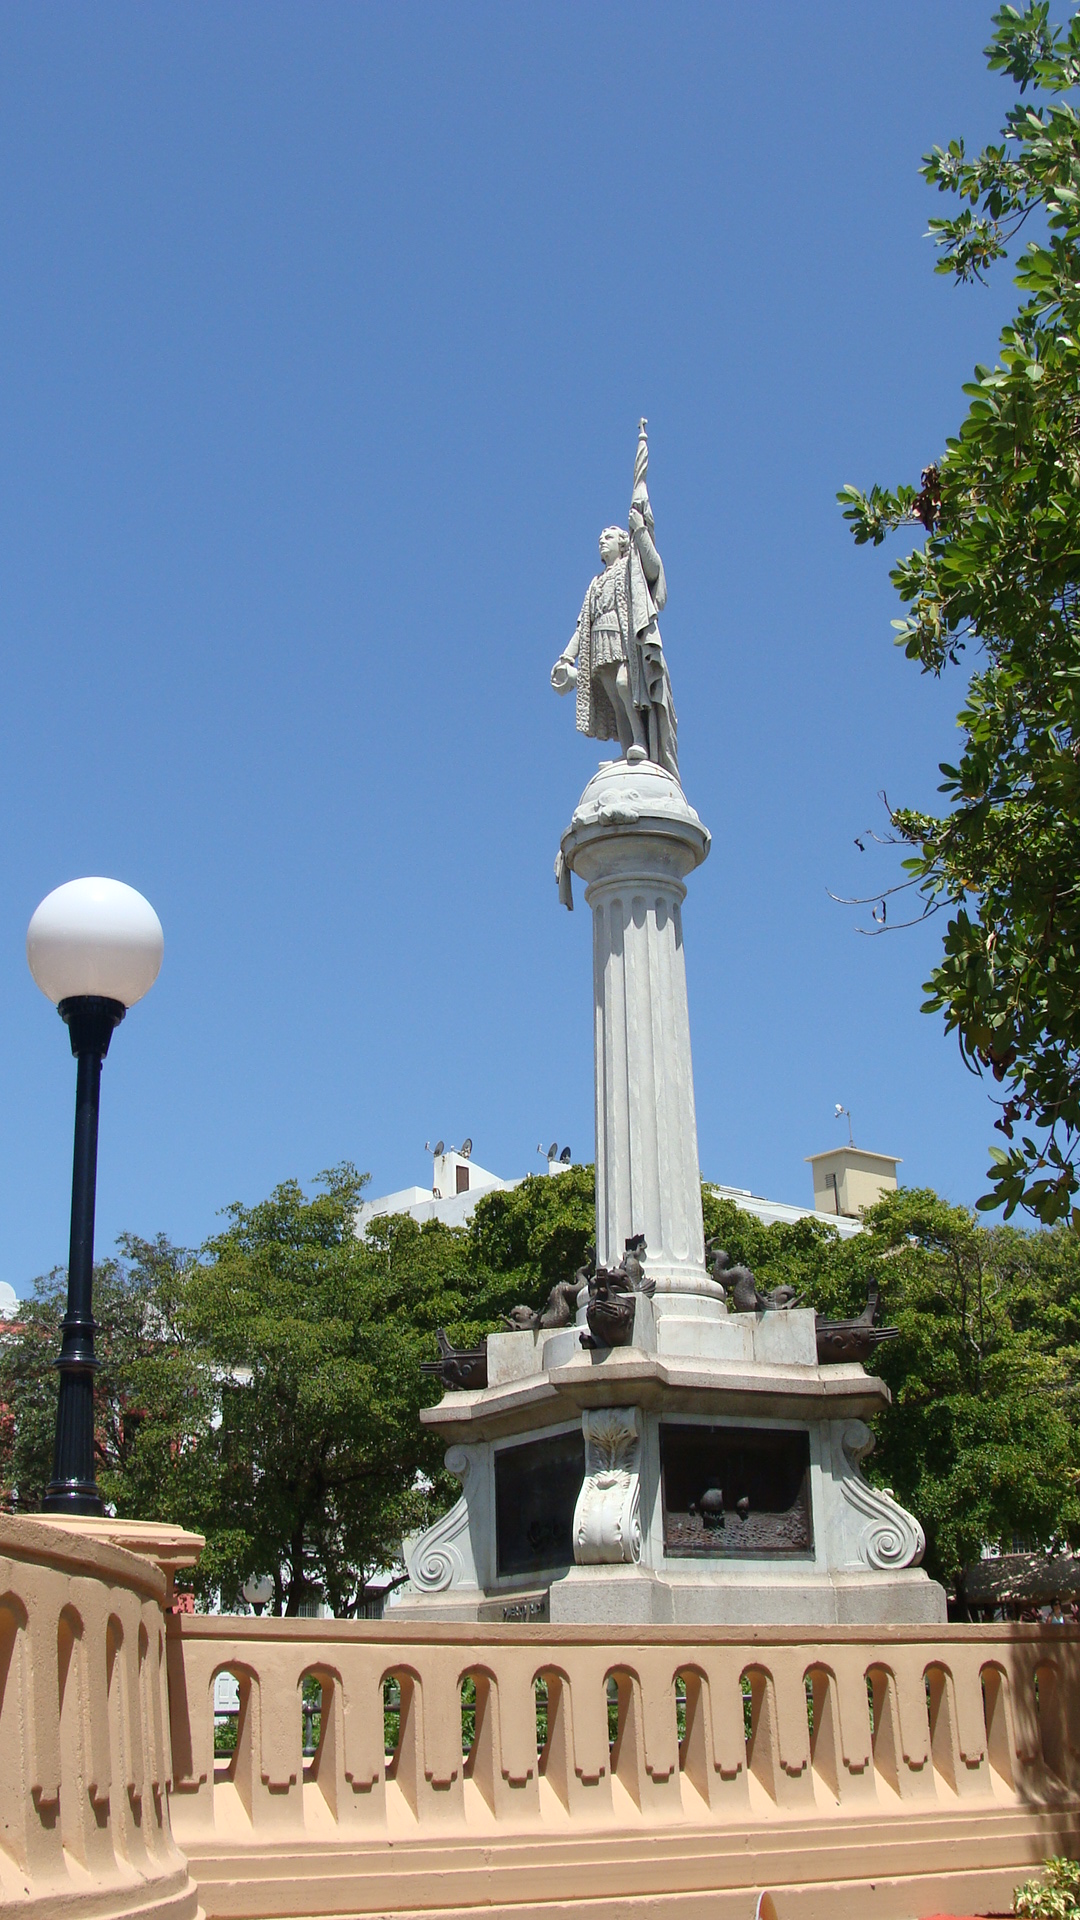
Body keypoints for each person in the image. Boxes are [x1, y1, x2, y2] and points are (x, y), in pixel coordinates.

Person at [551, 425, 679, 778]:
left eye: (608, 536)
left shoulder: (630, 568)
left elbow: (653, 570)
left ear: (622, 542)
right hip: (600, 641)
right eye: (599, 538)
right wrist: (566, 655)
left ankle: (641, 739)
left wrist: (640, 528)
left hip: (625, 639)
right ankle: (628, 749)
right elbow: (582, 624)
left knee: (626, 684)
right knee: (610, 689)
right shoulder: (595, 583)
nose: (601, 541)